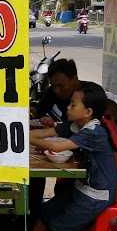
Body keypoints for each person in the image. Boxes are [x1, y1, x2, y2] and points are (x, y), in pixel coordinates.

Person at [0, 82, 117, 231]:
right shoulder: (79, 124)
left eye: (73, 105)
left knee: (57, 229)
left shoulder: (94, 132)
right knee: (46, 213)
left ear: (88, 111)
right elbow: (50, 133)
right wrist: (16, 133)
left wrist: (21, 138)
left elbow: (55, 147)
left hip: (95, 195)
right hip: (82, 187)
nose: (68, 107)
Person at [29, 59, 80, 221]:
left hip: (84, 165)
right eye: (53, 86)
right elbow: (38, 112)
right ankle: (36, 213)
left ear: (74, 79)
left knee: (65, 194)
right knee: (36, 175)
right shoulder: (53, 92)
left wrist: (37, 137)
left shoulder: (86, 97)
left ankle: (49, 219)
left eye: (61, 86)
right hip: (64, 150)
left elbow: (60, 134)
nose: (57, 91)